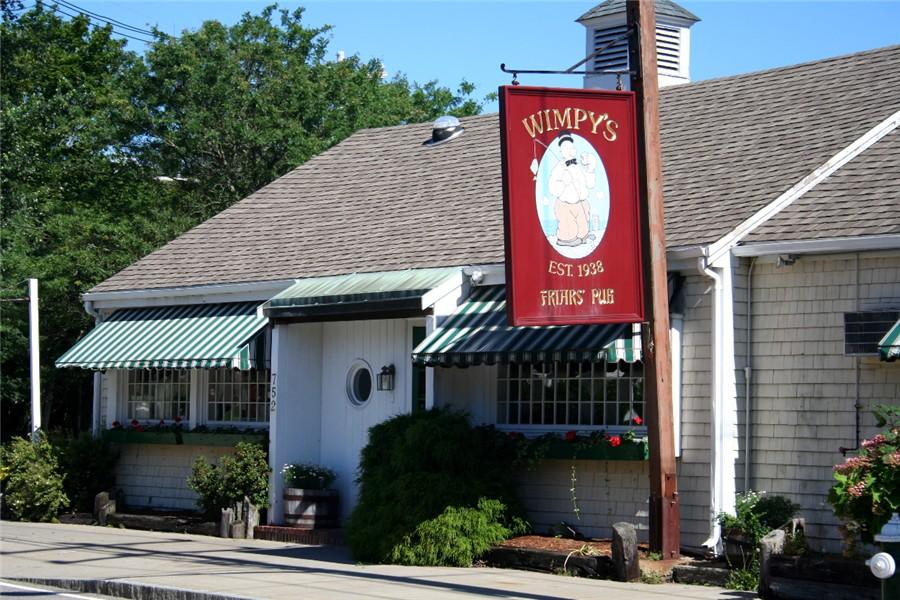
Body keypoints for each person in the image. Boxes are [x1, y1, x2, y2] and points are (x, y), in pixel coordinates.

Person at [547, 131, 597, 247]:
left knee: (583, 221)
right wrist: (564, 182)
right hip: (566, 204)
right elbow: (552, 185)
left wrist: (590, 169)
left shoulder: (579, 165)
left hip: (581, 202)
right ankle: (566, 239)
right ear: (561, 151)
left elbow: (590, 183)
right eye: (565, 147)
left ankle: (583, 236)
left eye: (570, 146)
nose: (569, 149)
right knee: (568, 224)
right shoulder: (559, 168)